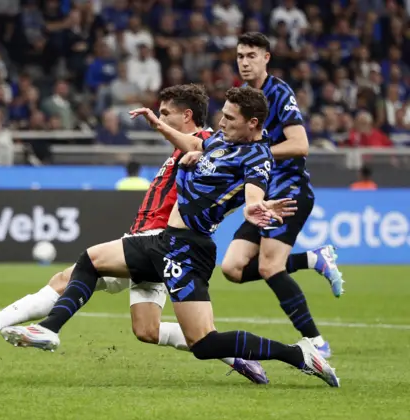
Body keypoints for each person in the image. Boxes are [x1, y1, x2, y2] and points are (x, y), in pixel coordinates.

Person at [0, 87, 340, 387]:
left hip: (190, 249)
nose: (222, 123)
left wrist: (254, 208)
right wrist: (159, 125)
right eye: (223, 115)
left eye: (231, 118)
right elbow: (193, 142)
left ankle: (298, 355)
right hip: (164, 241)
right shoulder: (223, 139)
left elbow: (254, 192)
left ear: (253, 123)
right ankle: (49, 329)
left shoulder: (257, 156)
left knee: (205, 344)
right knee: (92, 259)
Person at [0, 84, 270, 384]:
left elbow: (230, 165)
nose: (159, 118)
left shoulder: (209, 145)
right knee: (147, 330)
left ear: (186, 116)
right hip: (155, 242)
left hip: (161, 240)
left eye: (166, 112)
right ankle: (236, 355)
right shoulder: (182, 147)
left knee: (69, 276)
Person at [129, 32, 343, 359]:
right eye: (240, 56)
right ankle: (313, 259)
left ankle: (314, 342)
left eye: (251, 56)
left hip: (286, 188)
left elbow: (300, 145)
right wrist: (208, 153)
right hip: (258, 193)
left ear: (266, 58)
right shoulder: (240, 95)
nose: (244, 62)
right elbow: (217, 143)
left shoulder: (278, 93)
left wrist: (254, 155)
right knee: (233, 269)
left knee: (271, 267)